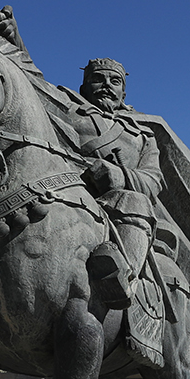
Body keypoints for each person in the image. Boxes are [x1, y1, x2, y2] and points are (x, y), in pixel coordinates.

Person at [72, 57, 163, 310]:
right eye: (97, 79)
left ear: (123, 92)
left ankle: (123, 279)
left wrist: (119, 176)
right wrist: (12, 37)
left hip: (117, 208)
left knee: (137, 200)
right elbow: (31, 84)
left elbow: (153, 182)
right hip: (69, 195)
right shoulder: (67, 112)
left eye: (115, 81)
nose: (106, 86)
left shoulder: (142, 136)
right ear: (83, 88)